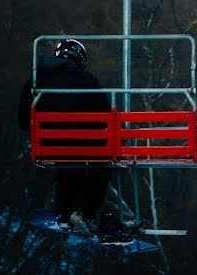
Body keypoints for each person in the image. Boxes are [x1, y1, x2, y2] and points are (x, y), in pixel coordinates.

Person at [17, 39, 131, 243]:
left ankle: (63, 212)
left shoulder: (35, 79)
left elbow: (24, 121)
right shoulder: (86, 80)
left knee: (69, 163)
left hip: (48, 146)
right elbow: (105, 118)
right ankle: (85, 213)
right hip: (83, 146)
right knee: (99, 165)